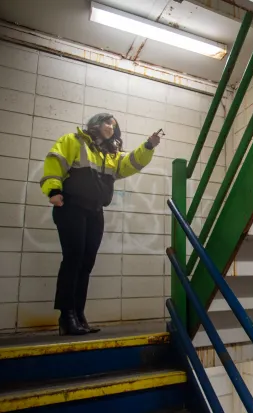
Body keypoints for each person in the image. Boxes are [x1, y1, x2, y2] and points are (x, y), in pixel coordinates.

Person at [40, 113, 162, 336]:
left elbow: (130, 163)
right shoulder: (73, 140)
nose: (111, 127)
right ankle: (66, 317)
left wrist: (148, 146)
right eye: (108, 123)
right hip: (71, 207)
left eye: (114, 126)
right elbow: (55, 162)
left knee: (86, 263)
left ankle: (79, 314)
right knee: (73, 259)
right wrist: (53, 190)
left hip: (95, 211)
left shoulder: (110, 156)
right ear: (96, 124)